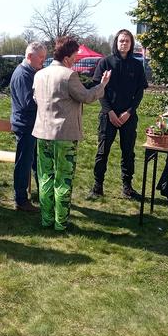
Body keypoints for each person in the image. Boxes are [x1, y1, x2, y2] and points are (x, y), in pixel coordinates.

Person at [32, 36, 111, 231]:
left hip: (42, 133)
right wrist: (102, 85)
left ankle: (46, 220)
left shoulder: (39, 74)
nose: (76, 58)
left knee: (45, 178)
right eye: (75, 55)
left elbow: (36, 98)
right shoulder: (69, 75)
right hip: (64, 136)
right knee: (63, 179)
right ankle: (60, 223)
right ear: (67, 57)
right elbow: (87, 97)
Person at [89, 29, 148, 200]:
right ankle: (97, 186)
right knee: (102, 151)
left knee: (128, 152)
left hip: (128, 116)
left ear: (131, 44)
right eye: (121, 41)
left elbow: (139, 92)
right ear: (116, 42)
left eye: (127, 41)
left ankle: (127, 187)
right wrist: (110, 112)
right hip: (108, 115)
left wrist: (130, 112)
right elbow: (99, 90)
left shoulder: (137, 65)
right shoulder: (105, 62)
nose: (124, 43)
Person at [10, 41, 47, 212]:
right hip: (25, 125)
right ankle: (20, 199)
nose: (43, 61)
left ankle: (42, 194)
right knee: (24, 163)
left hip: (31, 125)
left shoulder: (30, 72)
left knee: (33, 162)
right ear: (29, 56)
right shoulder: (23, 74)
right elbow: (27, 103)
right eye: (41, 58)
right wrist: (46, 101)